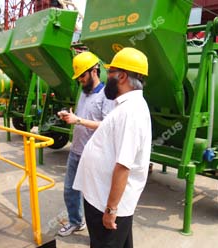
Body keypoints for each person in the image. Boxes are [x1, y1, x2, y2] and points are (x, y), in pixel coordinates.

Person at [73, 47, 152, 248]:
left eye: (110, 73)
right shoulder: (125, 106)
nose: (106, 77)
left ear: (122, 76)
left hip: (105, 204)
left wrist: (110, 210)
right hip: (102, 197)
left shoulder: (130, 112)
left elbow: (124, 166)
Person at [57, 51, 115, 237]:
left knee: (93, 199)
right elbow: (81, 117)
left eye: (82, 75)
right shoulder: (84, 92)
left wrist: (78, 120)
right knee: (69, 191)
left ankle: (98, 234)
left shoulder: (106, 95)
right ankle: (76, 222)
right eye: (78, 77)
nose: (80, 80)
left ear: (94, 71)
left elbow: (107, 126)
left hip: (93, 156)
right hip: (76, 152)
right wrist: (69, 116)